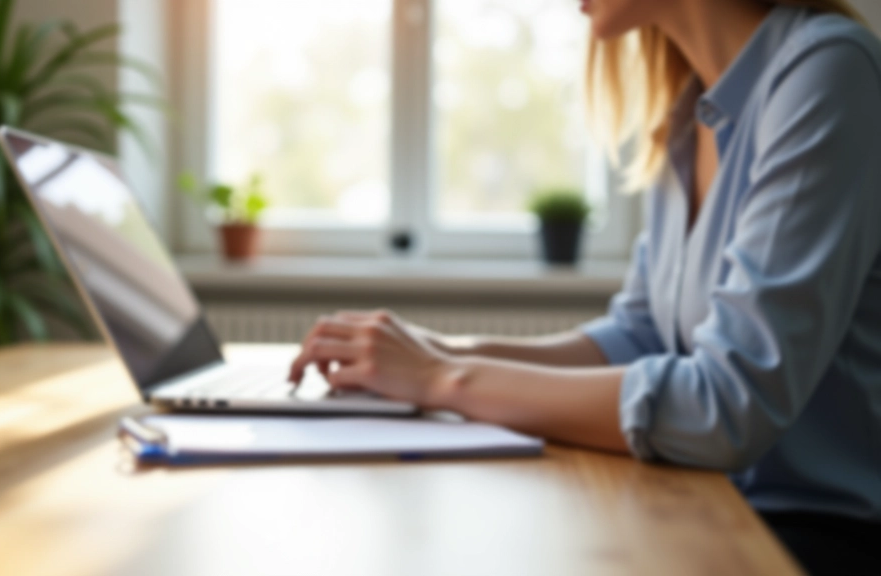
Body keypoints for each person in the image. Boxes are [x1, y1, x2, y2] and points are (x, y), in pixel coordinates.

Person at [288, 0, 881, 573]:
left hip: (817, 536)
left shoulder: (828, 73)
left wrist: (442, 379)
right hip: (708, 499)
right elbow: (641, 333)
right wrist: (441, 352)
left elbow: (729, 405)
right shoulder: (687, 110)